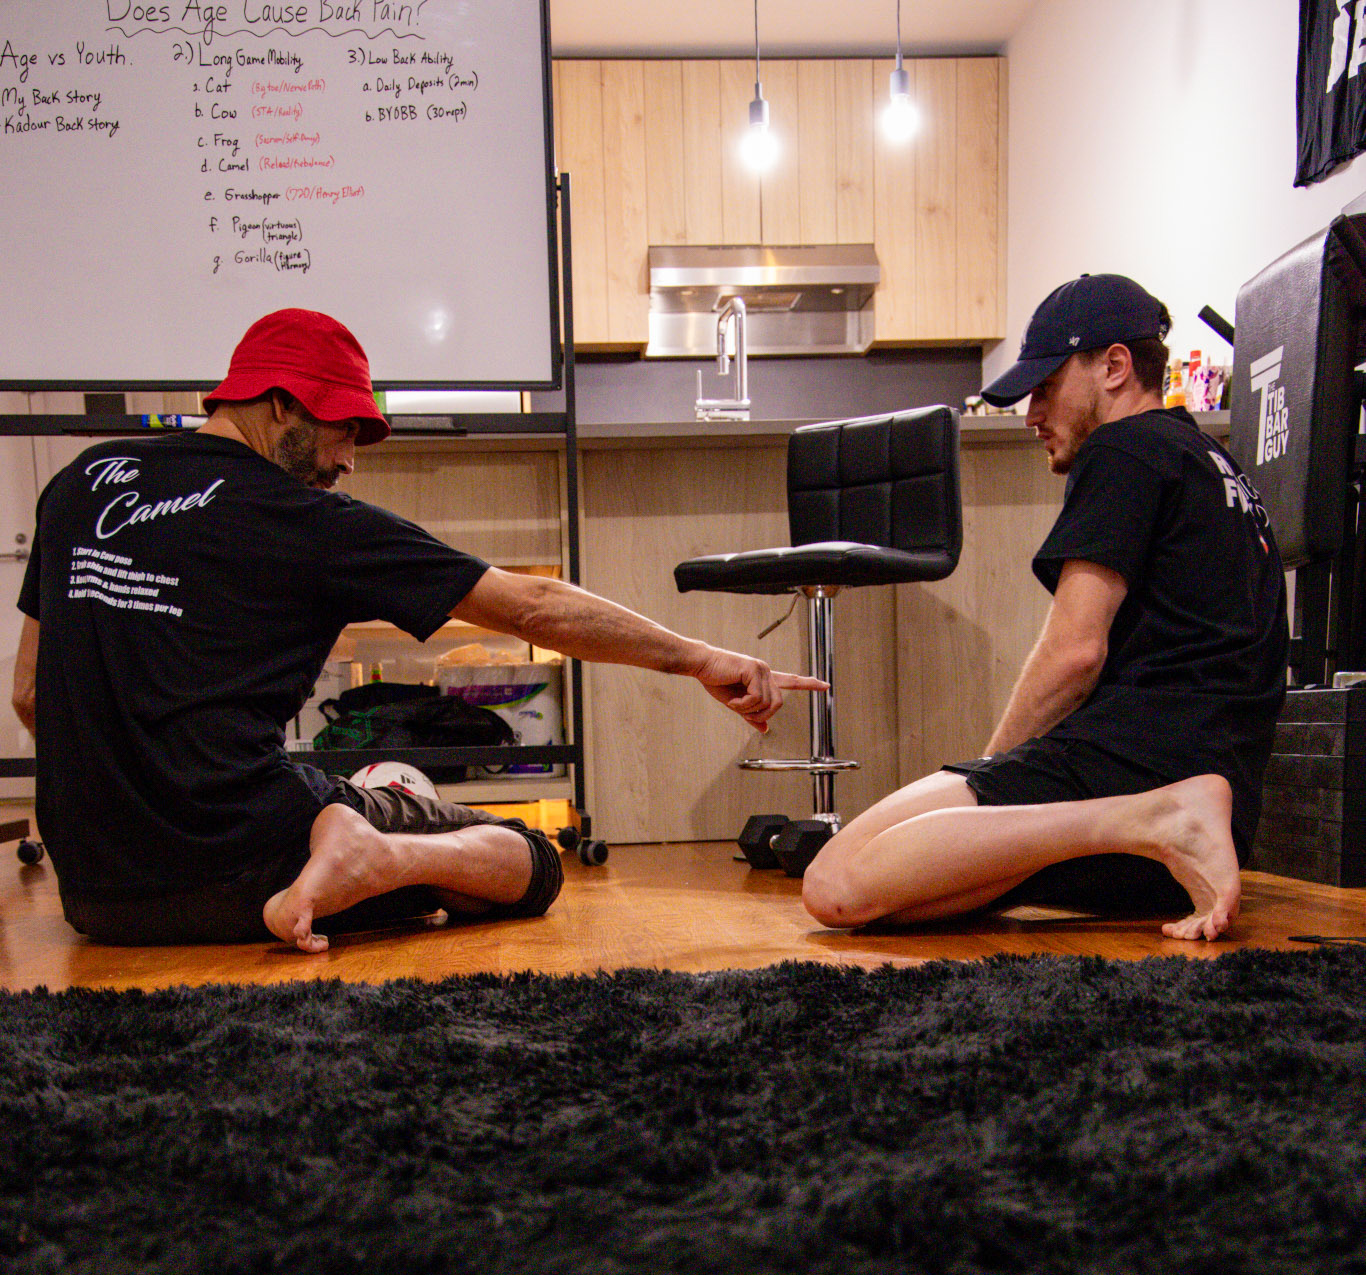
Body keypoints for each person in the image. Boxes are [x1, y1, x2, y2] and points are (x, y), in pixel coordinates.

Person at [13, 307, 823, 955]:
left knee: (367, 796)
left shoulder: (78, 484)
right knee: (531, 860)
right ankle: (380, 853)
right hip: (252, 869)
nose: (351, 460)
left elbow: (28, 695)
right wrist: (700, 658)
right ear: (281, 404)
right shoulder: (311, 522)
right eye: (346, 430)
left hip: (98, 895)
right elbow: (534, 609)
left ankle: (362, 834)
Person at [801, 274, 1289, 944]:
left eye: (1047, 386)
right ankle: (1154, 824)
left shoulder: (1126, 447)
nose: (1032, 413)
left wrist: (992, 782)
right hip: (1214, 820)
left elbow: (1074, 655)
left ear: (1114, 366)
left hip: (1136, 770)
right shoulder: (1213, 462)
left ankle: (1150, 821)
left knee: (833, 882)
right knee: (896, 903)